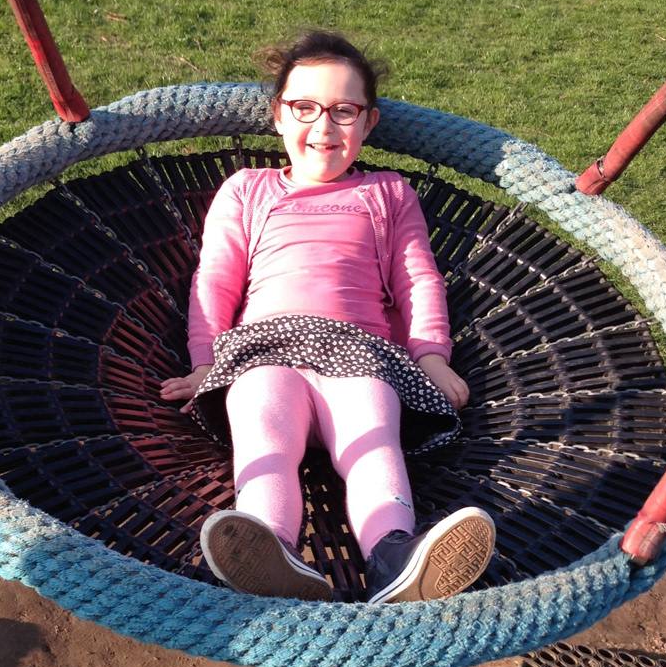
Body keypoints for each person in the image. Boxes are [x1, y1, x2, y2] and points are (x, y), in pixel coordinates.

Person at [160, 30, 495, 604]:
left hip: (357, 351)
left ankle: (393, 556)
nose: (324, 126)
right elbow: (214, 282)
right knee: (263, 426)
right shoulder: (248, 190)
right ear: (278, 116)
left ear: (369, 122)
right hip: (265, 350)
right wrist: (205, 364)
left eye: (344, 111)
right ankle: (270, 550)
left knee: (373, 437)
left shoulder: (388, 194)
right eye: (305, 108)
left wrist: (432, 358)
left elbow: (417, 279)